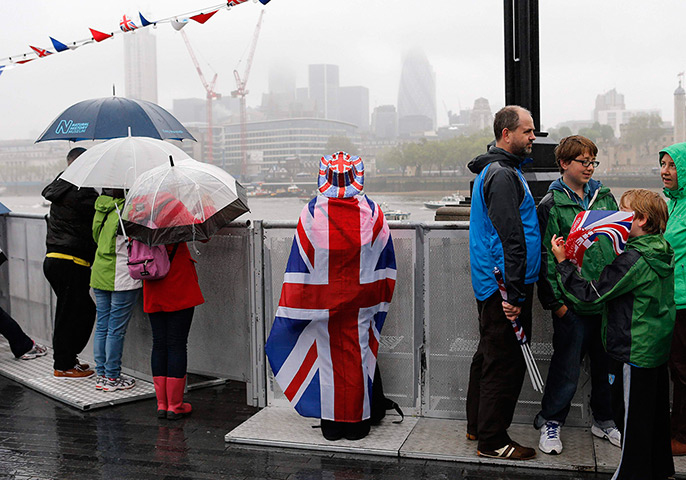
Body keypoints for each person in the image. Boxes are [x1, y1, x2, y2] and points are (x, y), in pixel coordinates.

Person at [265, 152, 397, 441]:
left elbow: (299, 264)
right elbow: (385, 260)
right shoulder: (373, 212)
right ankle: (357, 426)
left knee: (326, 362)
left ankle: (332, 427)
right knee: (358, 358)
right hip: (360, 303)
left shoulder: (311, 212)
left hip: (322, 303)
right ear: (357, 178)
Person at [553, 189, 675, 480]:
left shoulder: (634, 259)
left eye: (624, 211)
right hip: (654, 347)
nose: (617, 216)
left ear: (641, 219)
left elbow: (591, 294)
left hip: (634, 350)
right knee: (654, 418)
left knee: (630, 421)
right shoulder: (660, 248)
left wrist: (563, 263)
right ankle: (660, 470)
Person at [534, 135, 621, 454]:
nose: (589, 167)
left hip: (605, 300)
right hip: (571, 304)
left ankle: (605, 419)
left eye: (593, 161)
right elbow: (545, 256)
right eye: (583, 161)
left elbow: (620, 244)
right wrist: (556, 304)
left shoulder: (605, 197)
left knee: (606, 366)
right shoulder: (551, 204)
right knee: (566, 367)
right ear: (563, 164)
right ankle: (551, 421)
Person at [465, 105, 541, 460]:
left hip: (493, 284)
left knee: (488, 355)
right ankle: (493, 441)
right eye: (527, 131)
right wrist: (513, 292)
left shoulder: (498, 171)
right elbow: (511, 237)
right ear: (506, 133)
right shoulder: (502, 175)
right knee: (504, 362)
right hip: (503, 287)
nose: (533, 137)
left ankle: (477, 426)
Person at [129, 192, 204, 420]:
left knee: (159, 343)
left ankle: (162, 404)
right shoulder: (172, 206)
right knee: (177, 343)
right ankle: (176, 405)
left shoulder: (136, 209)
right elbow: (200, 233)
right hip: (178, 282)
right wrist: (202, 210)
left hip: (152, 283)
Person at [42, 147, 98, 378]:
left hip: (55, 259)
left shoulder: (60, 186)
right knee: (72, 313)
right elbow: (101, 209)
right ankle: (63, 365)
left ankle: (68, 358)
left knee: (78, 310)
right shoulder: (81, 192)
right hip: (71, 261)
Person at [90, 189, 141, 392]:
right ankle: (112, 377)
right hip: (120, 276)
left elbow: (96, 237)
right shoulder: (127, 209)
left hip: (99, 272)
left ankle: (101, 374)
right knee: (115, 329)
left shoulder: (101, 208)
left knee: (102, 325)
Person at [658, 144, 686, 455]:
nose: (665, 171)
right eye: (663, 164)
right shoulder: (674, 204)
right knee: (676, 369)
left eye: (673, 166)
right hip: (673, 299)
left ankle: (683, 435)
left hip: (684, 301)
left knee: (683, 369)